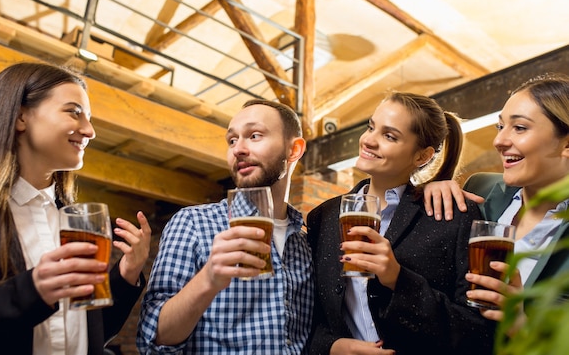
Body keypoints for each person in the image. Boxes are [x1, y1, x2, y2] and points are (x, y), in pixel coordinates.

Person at [0, 62, 152, 354]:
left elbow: (92, 333)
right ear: (20, 117)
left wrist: (126, 274)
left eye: (89, 118)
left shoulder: (77, 221)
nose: (90, 131)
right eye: (74, 112)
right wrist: (33, 291)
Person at [307, 92, 495, 355]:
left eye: (389, 136)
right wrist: (332, 347)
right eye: (371, 127)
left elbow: (479, 333)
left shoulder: (453, 214)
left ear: (422, 157)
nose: (369, 140)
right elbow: (306, 318)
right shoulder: (323, 217)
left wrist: (398, 278)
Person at [136, 99, 313, 354]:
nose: (238, 149)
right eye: (232, 140)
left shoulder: (305, 243)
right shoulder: (193, 223)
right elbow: (153, 339)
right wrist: (208, 279)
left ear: (294, 149)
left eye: (254, 135)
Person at [422, 73, 569, 330]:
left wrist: (520, 326)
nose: (499, 141)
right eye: (500, 127)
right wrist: (435, 189)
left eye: (520, 127)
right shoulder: (479, 188)